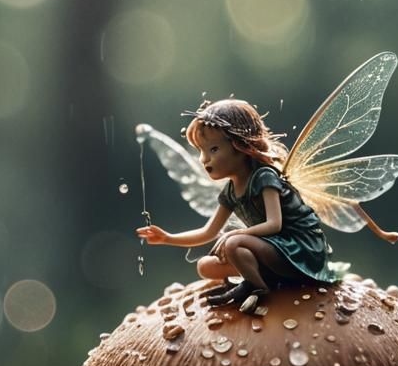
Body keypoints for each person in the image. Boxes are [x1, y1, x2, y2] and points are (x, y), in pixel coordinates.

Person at [137, 99, 337, 314]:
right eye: (201, 151)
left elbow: (274, 224)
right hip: (271, 251)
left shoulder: (264, 177)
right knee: (205, 266)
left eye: (214, 149)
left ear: (240, 146)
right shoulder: (231, 191)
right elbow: (209, 232)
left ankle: (258, 289)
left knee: (233, 243)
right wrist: (167, 238)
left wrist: (237, 235)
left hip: (301, 250)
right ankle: (261, 277)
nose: (205, 159)